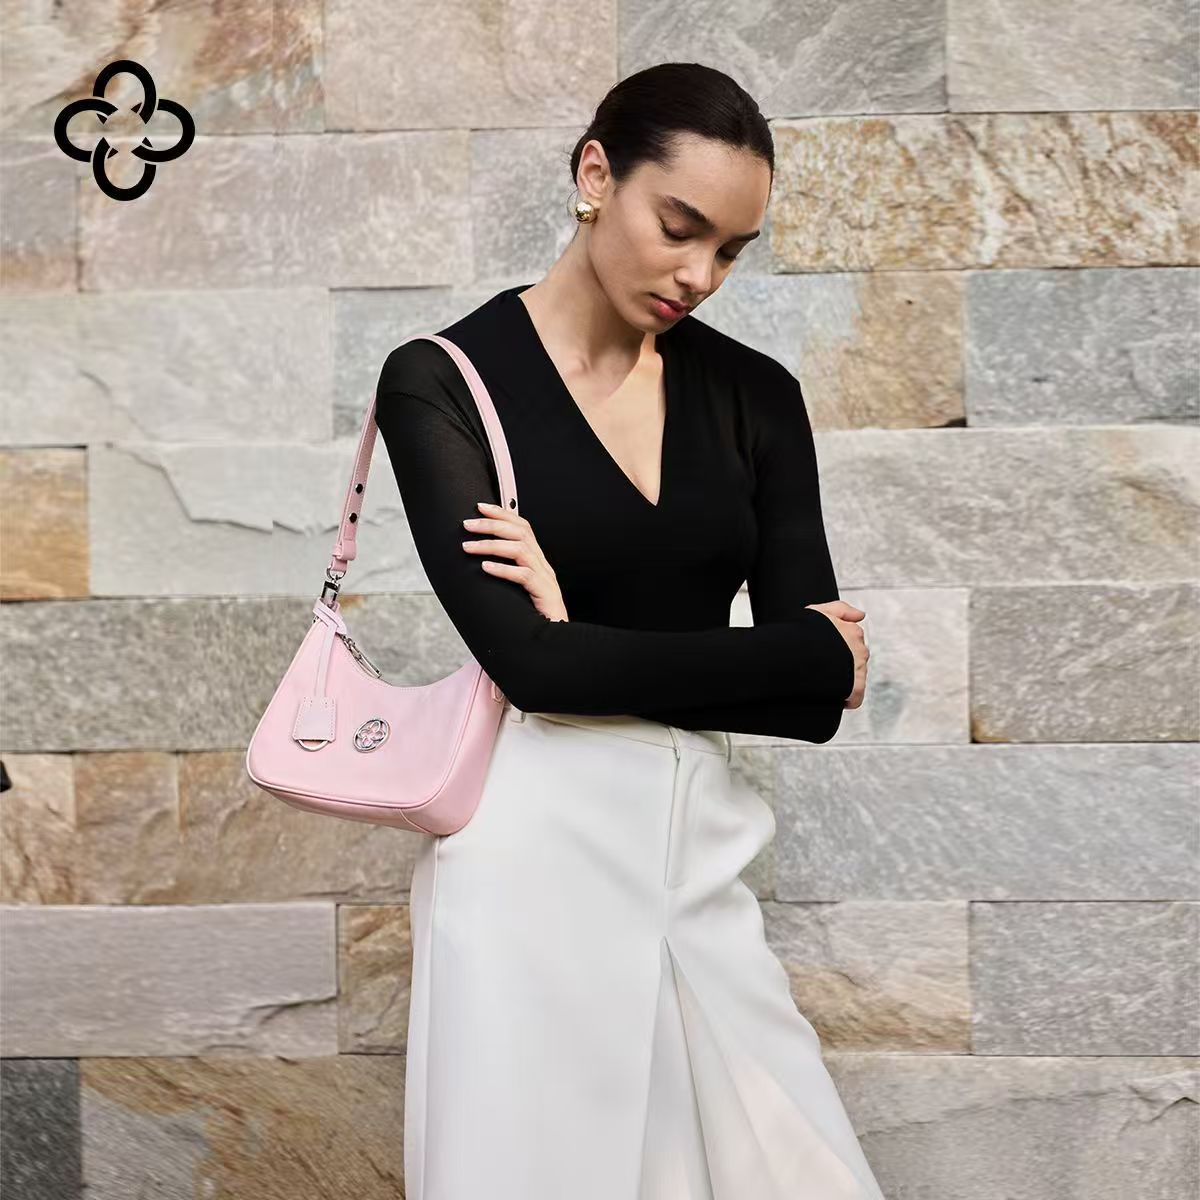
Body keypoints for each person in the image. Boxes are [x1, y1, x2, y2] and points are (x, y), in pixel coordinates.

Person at [374, 61, 880, 1200]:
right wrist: (784, 652)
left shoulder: (756, 395)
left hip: (699, 848)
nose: (700, 275)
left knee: (798, 1170)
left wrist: (581, 641)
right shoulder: (443, 383)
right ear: (597, 176)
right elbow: (532, 669)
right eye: (679, 228)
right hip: (528, 860)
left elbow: (818, 699)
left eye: (731, 251)